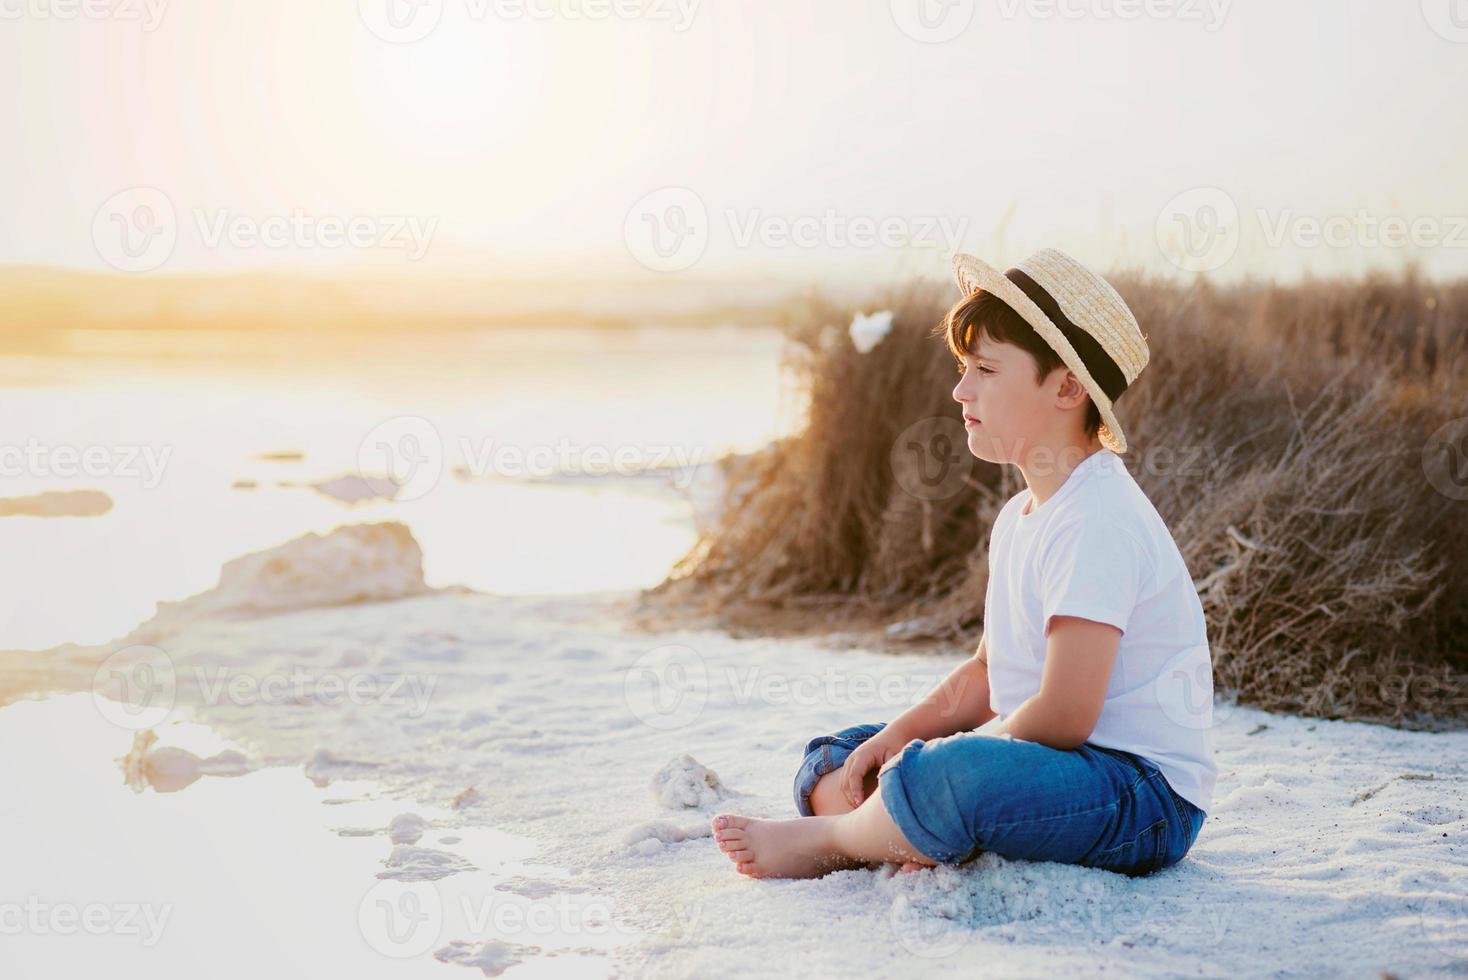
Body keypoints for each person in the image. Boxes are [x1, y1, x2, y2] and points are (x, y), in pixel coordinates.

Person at [712, 248, 1216, 879]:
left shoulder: (1098, 517)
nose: (960, 389)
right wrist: (899, 735)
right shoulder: (1020, 518)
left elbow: (1065, 714)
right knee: (836, 757)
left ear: (1066, 386)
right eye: (962, 367)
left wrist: (945, 754)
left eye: (984, 369)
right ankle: (901, 822)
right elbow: (987, 673)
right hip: (1047, 764)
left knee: (951, 774)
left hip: (1140, 796)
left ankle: (837, 838)